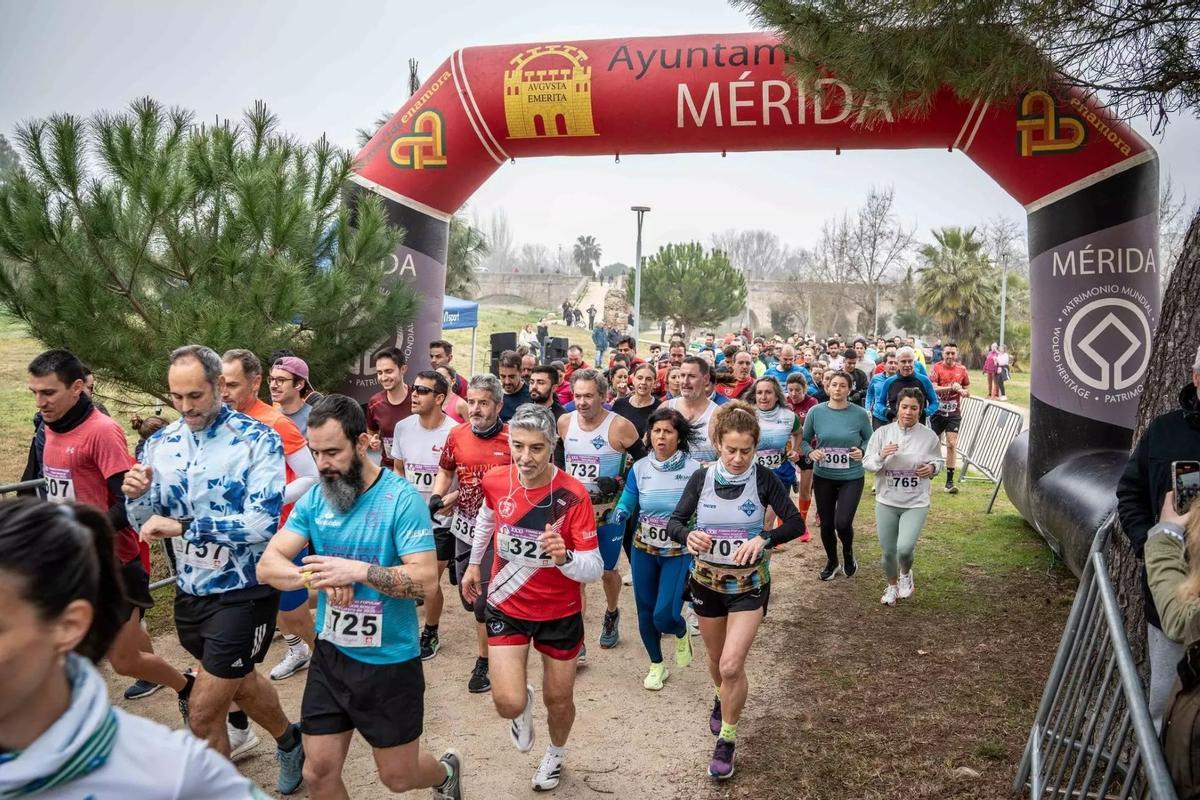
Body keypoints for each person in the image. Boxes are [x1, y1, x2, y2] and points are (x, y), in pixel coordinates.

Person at [257, 395, 464, 800]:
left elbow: (424, 581)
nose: (322, 465)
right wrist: (313, 576)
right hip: (332, 657)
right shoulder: (316, 498)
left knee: (398, 778)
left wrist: (355, 571)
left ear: (364, 442)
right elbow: (268, 565)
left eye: (332, 452)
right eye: (315, 453)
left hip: (389, 662)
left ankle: (444, 773)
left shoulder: (401, 499)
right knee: (317, 773)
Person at [123, 345, 304, 794]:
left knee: (203, 711)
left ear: (220, 387)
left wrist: (185, 525)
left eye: (195, 396)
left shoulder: (257, 439)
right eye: (176, 397)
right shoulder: (159, 444)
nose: (185, 407)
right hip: (190, 590)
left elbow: (262, 523)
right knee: (240, 684)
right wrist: (135, 496)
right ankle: (289, 739)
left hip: (245, 588)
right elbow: (144, 521)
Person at [0, 499, 268, 799]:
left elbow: (133, 510)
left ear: (69, 626)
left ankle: (283, 737)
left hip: (227, 592)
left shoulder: (176, 777)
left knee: (134, 665)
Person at [28, 350, 192, 711]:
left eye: (49, 393)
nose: (40, 402)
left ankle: (188, 689)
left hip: (114, 563)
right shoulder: (50, 428)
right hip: (72, 561)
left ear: (76, 388)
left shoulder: (101, 432)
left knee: (123, 661)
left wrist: (83, 530)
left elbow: (129, 507)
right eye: (35, 393)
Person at [461, 404, 604, 792]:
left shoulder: (573, 496)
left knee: (558, 699)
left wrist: (566, 557)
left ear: (552, 447)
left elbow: (594, 565)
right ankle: (519, 706)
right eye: (518, 447)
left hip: (560, 612)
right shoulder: (496, 480)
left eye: (536, 449)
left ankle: (556, 754)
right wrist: (475, 564)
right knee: (507, 702)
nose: (525, 458)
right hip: (507, 604)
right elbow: (487, 520)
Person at [666, 402, 805, 779]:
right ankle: (721, 696)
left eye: (746, 450)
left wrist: (764, 538)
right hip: (707, 584)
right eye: (731, 450)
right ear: (717, 444)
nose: (739, 458)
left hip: (748, 585)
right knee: (715, 661)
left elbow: (795, 523)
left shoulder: (763, 479)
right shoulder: (701, 478)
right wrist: (687, 534)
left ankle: (727, 738)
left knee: (731, 665)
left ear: (755, 447)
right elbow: (674, 523)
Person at [221, 349, 320, 743]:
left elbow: (311, 477)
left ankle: (331, 658)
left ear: (254, 383)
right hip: (234, 543)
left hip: (275, 538)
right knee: (236, 630)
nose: (223, 392)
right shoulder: (219, 422)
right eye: (220, 384)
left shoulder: (276, 423)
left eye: (231, 384)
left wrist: (269, 499)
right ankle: (238, 724)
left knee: (291, 613)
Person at [1116, 345, 1200, 730]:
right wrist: (1148, 544)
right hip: (1168, 592)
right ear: (1196, 379)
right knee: (1162, 706)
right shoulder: (1164, 430)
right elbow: (1129, 493)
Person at [431, 374, 512, 693]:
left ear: (498, 405)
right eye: (473, 402)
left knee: (481, 604)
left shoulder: (512, 439)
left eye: (484, 403)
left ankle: (485, 663)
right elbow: (446, 470)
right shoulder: (457, 434)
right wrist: (439, 496)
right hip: (464, 526)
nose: (476, 409)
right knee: (468, 601)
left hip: (498, 530)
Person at [611, 407, 702, 689]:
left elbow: (702, 509)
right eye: (657, 431)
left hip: (678, 551)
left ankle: (680, 628)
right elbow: (629, 498)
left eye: (668, 431)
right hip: (643, 549)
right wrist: (622, 511)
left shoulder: (693, 470)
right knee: (644, 610)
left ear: (679, 436)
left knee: (665, 615)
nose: (661, 437)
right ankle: (656, 664)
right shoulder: (639, 468)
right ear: (649, 435)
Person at [560, 369, 644, 650]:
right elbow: (560, 464)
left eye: (588, 396)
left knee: (607, 571)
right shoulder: (564, 422)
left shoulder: (620, 427)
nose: (582, 402)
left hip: (609, 514)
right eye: (577, 396)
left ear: (604, 396)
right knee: (577, 573)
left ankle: (611, 613)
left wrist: (618, 479)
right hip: (574, 513)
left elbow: (644, 465)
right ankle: (578, 637)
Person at [391, 370, 460, 662]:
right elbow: (398, 467)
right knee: (407, 580)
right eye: (414, 389)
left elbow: (467, 477)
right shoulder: (403, 427)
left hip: (442, 521)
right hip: (408, 518)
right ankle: (403, 629)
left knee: (430, 581)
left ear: (440, 398)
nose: (413, 395)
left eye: (421, 390)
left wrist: (452, 499)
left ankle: (430, 631)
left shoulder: (455, 432)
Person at [862, 389, 944, 605]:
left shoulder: (929, 436)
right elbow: (867, 463)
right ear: (897, 408)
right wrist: (881, 455)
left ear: (920, 410)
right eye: (904, 407)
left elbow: (939, 462)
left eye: (914, 408)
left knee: (904, 548)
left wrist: (932, 468)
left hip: (915, 502)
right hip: (887, 500)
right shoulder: (882, 433)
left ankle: (906, 574)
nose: (908, 412)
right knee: (889, 552)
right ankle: (891, 586)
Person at [802, 371, 874, 582]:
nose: (838, 389)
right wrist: (810, 452)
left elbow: (870, 440)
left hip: (851, 475)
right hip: (824, 475)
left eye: (843, 385)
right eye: (834, 384)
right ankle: (832, 561)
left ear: (849, 389)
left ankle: (848, 554)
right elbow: (805, 441)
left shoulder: (859, 414)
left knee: (842, 522)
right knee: (826, 524)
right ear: (827, 387)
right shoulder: (816, 412)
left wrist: (862, 450)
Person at [751, 377, 802, 531]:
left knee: (767, 523)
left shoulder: (788, 415)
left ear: (776, 395)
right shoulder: (747, 414)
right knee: (754, 520)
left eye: (768, 392)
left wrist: (795, 449)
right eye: (759, 392)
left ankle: (764, 554)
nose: (763, 397)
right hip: (753, 473)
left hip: (780, 473)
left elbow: (798, 433)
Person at [929, 342, 970, 493]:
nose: (950, 356)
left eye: (953, 353)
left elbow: (966, 388)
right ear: (943, 354)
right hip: (937, 412)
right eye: (947, 353)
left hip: (954, 413)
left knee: (952, 444)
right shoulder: (937, 367)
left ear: (956, 354)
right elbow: (933, 387)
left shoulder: (962, 369)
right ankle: (932, 469)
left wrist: (965, 392)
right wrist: (952, 387)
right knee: (934, 443)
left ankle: (949, 482)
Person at [667, 356, 722, 465]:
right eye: (682, 376)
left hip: (703, 479)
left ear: (705, 379)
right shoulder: (667, 408)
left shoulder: (718, 415)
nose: (685, 381)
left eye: (692, 376)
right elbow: (650, 448)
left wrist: (708, 466)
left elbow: (727, 456)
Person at [365, 347, 412, 469]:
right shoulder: (375, 402)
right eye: (380, 373)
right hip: (389, 468)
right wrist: (372, 441)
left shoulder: (418, 398)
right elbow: (371, 433)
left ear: (403, 369)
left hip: (414, 468)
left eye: (389, 371)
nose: (384, 377)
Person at [785, 373, 818, 540]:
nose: (793, 394)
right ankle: (781, 527)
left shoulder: (812, 403)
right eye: (790, 390)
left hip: (807, 449)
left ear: (805, 389)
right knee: (782, 491)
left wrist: (801, 447)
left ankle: (802, 526)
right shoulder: (784, 402)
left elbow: (810, 429)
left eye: (797, 390)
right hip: (787, 451)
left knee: (805, 490)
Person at [877, 348, 939, 424]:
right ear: (897, 363)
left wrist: (924, 413)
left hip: (918, 426)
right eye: (903, 361)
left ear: (914, 362)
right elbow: (879, 403)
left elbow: (935, 402)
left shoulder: (924, 380)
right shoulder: (889, 382)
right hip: (895, 426)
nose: (907, 365)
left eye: (910, 361)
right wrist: (886, 412)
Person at [613, 362, 662, 438]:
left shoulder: (660, 408)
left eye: (648, 379)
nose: (643, 382)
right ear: (633, 380)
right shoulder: (619, 404)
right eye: (640, 378)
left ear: (654, 383)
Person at [270, 356, 316, 435]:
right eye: (272, 379)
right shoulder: (269, 417)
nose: (273, 385)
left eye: (281, 380)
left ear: (299, 384)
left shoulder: (315, 421)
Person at [866, 352, 899, 430]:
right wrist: (867, 409)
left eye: (896, 363)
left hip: (895, 417)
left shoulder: (901, 380)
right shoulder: (876, 378)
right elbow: (870, 394)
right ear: (884, 364)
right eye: (890, 363)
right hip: (878, 416)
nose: (893, 365)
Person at [499, 350, 533, 422]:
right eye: (503, 376)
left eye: (512, 377)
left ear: (520, 372)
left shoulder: (531, 397)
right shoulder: (494, 394)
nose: (507, 382)